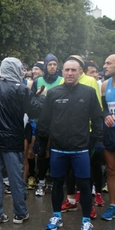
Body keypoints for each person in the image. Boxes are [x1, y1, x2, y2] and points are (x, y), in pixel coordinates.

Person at [37, 59, 103, 230]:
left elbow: (97, 118)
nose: (70, 73)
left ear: (80, 72)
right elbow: (44, 120)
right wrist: (41, 144)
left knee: (84, 185)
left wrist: (97, 141)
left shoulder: (88, 92)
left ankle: (86, 220)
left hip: (80, 148)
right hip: (58, 148)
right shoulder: (54, 93)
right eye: (66, 70)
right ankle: (56, 215)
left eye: (74, 70)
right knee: (57, 183)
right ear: (62, 71)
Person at [0, 57, 44, 226]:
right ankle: (20, 213)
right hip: (13, 140)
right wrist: (40, 98)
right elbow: (35, 111)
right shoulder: (21, 89)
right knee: (15, 177)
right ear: (16, 70)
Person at [31, 53, 64, 196]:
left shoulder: (62, 80)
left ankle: (56, 181)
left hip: (58, 122)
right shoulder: (37, 81)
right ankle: (41, 181)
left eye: (54, 64)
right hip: (42, 122)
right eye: (49, 64)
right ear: (45, 66)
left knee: (56, 151)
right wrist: (38, 96)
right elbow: (30, 102)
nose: (52, 67)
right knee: (41, 152)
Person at [100, 54, 115, 221]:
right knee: (111, 170)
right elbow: (104, 108)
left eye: (109, 63)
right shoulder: (105, 85)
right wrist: (106, 115)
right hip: (110, 132)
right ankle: (113, 206)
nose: (105, 66)